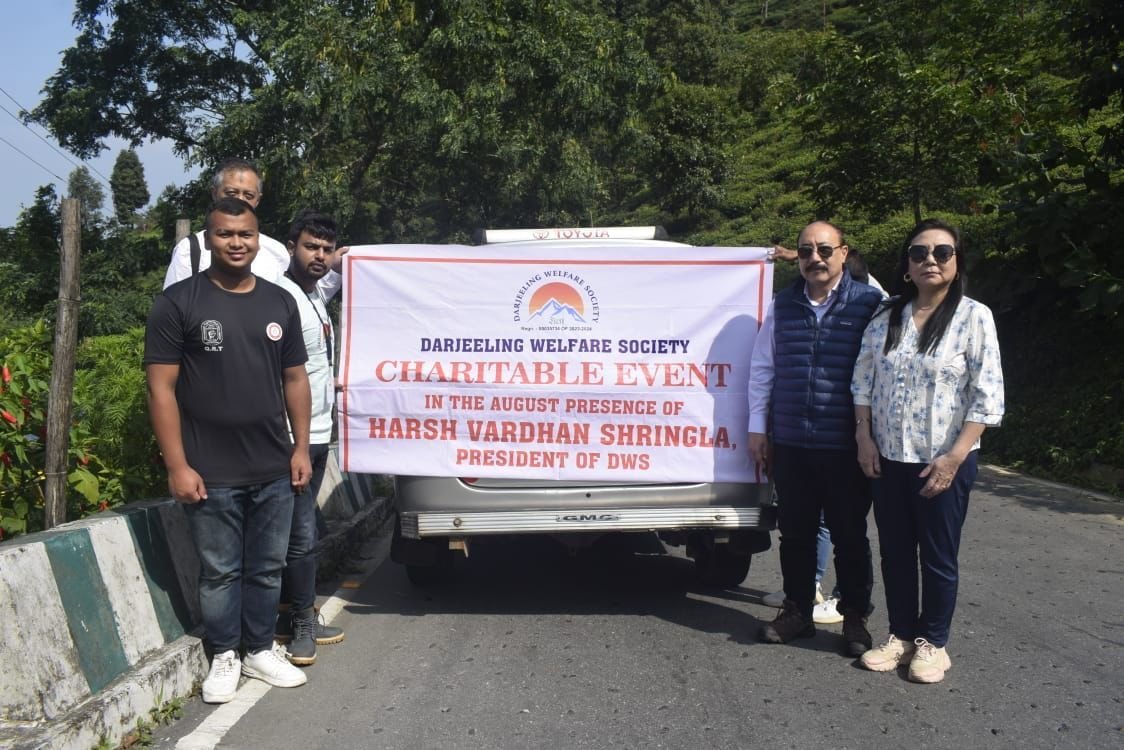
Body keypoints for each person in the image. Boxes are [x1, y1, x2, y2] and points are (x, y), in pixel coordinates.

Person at [144, 197, 312, 703]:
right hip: (208, 469)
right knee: (219, 571)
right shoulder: (178, 304)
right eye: (224, 234)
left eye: (245, 234)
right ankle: (225, 655)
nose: (236, 243)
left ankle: (260, 649)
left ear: (257, 239)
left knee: (266, 566)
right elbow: (160, 390)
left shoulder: (279, 301)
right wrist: (177, 464)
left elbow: (296, 379)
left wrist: (300, 447)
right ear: (207, 239)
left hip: (272, 464)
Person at [852, 218, 1004, 683]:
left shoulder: (974, 317)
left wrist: (955, 456)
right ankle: (899, 635)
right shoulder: (886, 317)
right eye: (919, 253)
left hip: (943, 461)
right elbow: (863, 380)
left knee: (937, 556)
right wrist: (863, 436)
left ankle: (933, 643)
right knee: (895, 553)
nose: (930, 261)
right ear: (906, 265)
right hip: (888, 458)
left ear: (957, 263)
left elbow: (987, 395)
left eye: (942, 253)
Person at [748, 221, 883, 656]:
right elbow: (763, 368)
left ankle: (856, 617)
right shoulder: (782, 305)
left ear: (845, 253)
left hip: (845, 444)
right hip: (791, 440)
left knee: (849, 534)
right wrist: (757, 428)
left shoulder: (871, 303)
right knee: (797, 533)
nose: (814, 259)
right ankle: (797, 610)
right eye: (805, 251)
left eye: (824, 249)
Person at [273, 211, 346, 665]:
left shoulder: (316, 295)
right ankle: (301, 619)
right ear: (290, 247)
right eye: (310, 247)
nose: (319, 256)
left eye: (325, 248)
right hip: (289, 437)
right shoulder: (277, 298)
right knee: (298, 535)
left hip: (319, 432)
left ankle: (292, 612)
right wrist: (294, 443)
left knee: (301, 531)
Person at [162, 158, 341, 298]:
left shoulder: (276, 252)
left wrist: (336, 271)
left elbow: (303, 298)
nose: (239, 200)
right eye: (231, 193)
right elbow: (172, 308)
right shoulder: (191, 250)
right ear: (214, 193)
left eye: (248, 195)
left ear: (258, 199)